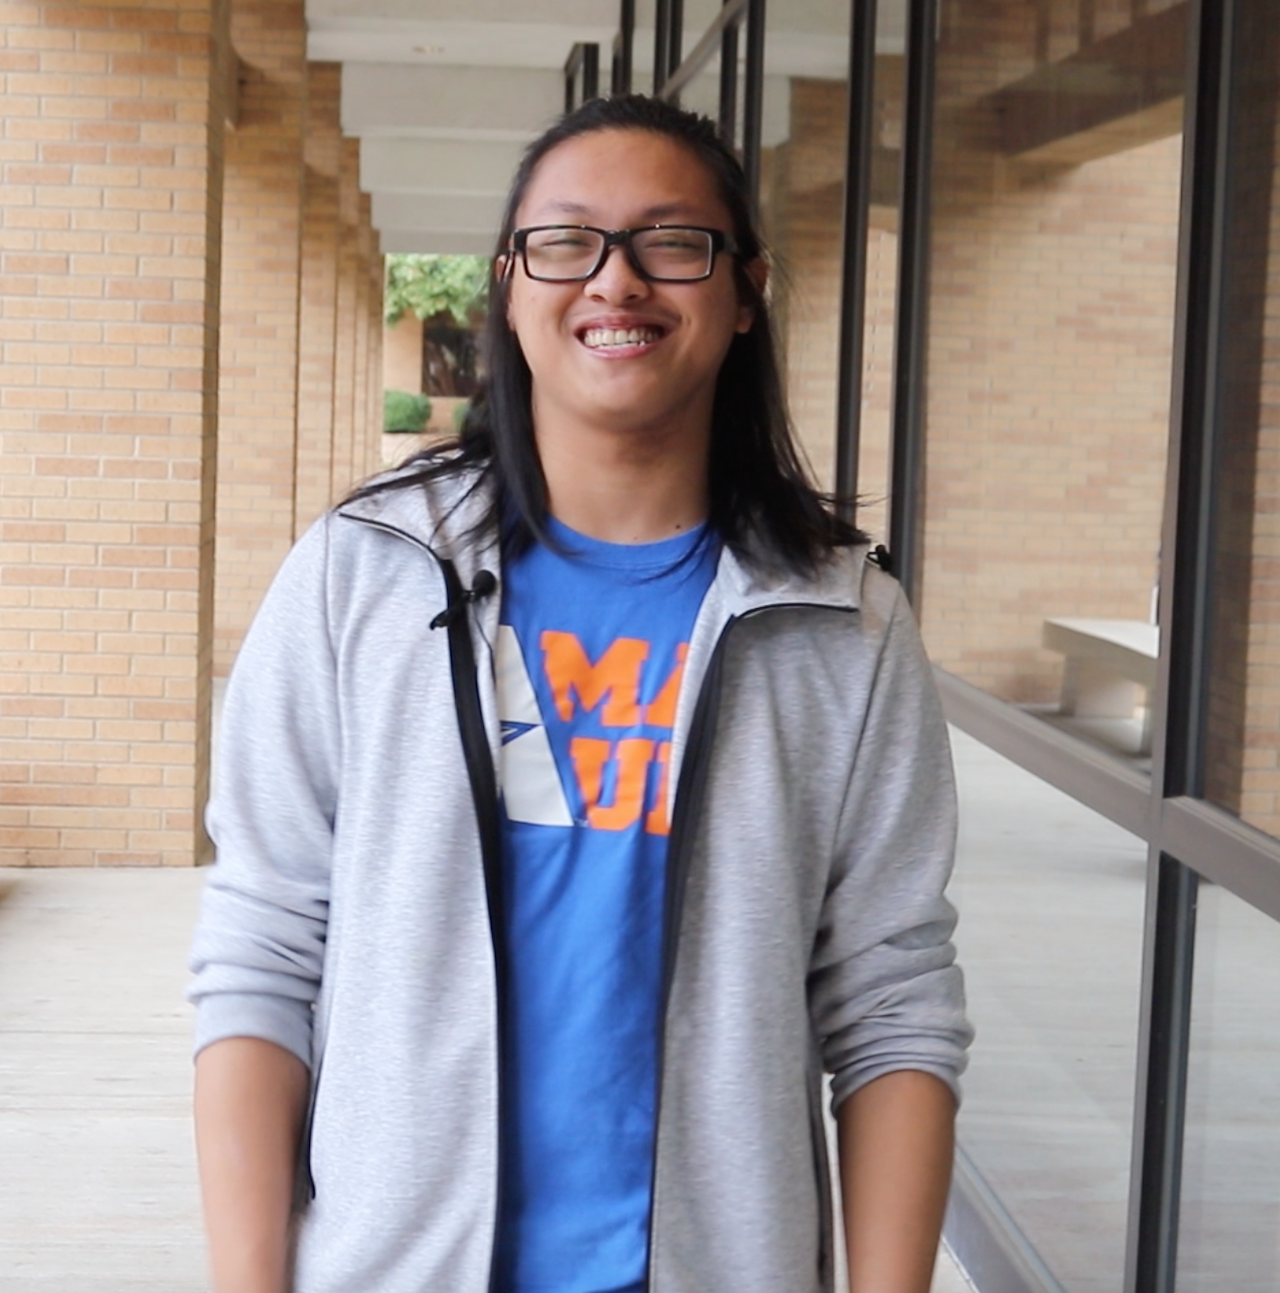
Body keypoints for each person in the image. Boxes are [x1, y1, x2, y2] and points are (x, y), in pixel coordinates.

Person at [188, 94, 971, 1293]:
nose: (614, 282)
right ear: (508, 284)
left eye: (671, 241)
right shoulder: (365, 573)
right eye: (564, 242)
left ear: (745, 288)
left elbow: (893, 1001)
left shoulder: (841, 624)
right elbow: (265, 943)